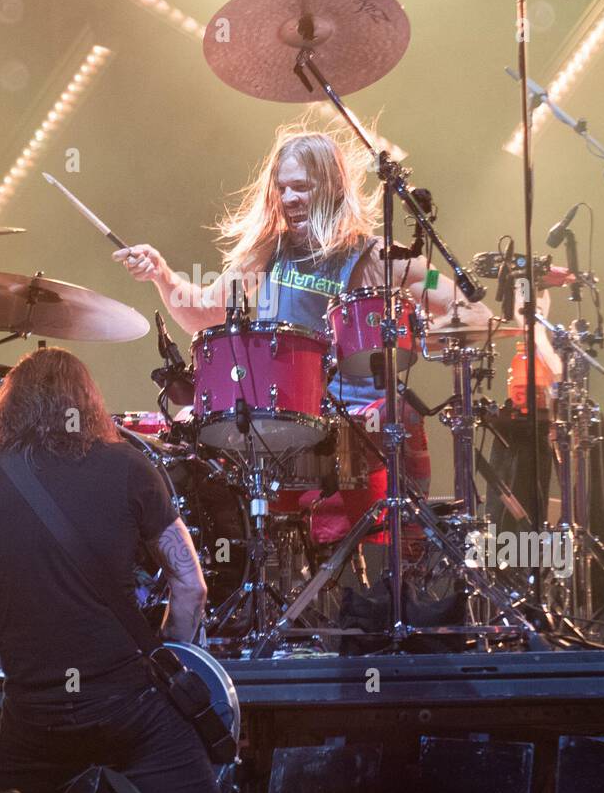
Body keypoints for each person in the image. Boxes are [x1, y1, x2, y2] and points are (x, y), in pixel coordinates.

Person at [112, 121, 494, 545]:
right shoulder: (267, 251)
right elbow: (203, 314)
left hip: (360, 427)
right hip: (284, 422)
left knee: (391, 542)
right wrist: (162, 274)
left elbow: (470, 311)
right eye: (282, 188)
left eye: (302, 187)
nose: (289, 198)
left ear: (331, 187)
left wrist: (422, 329)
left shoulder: (380, 256)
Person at [0, 346, 225, 793]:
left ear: (8, 408)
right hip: (130, 702)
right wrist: (167, 653)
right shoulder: (129, 466)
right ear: (86, 404)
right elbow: (191, 585)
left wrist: (17, 658)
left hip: (33, 711)